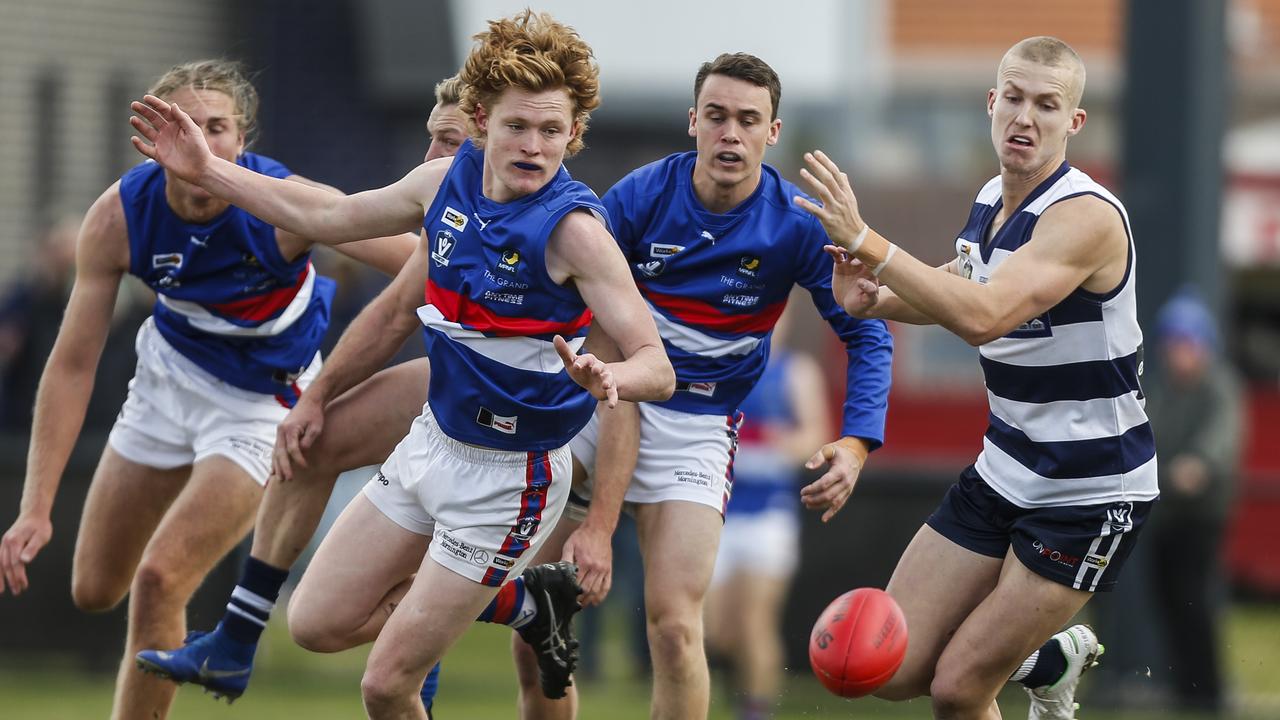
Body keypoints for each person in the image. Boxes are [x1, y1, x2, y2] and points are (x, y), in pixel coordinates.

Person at [127, 10, 674, 720]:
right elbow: (332, 217)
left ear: (574, 133)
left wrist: (612, 378)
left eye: (552, 131)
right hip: (431, 446)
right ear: (480, 120)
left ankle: (507, 600)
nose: (534, 146)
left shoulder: (577, 233)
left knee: (386, 685)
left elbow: (655, 367)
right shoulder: (445, 182)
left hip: (512, 479)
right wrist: (211, 172)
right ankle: (527, 602)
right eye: (517, 127)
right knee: (315, 622)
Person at [0, 59, 416, 720]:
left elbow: (419, 255)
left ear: (241, 141)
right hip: (168, 381)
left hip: (261, 404)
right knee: (92, 588)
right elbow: (72, 362)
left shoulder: (283, 205)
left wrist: (506, 302)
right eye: (184, 125)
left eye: (216, 126)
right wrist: (35, 506)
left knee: (159, 580)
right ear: (153, 140)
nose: (201, 140)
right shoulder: (120, 216)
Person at [511, 52, 894, 720]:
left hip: (695, 429)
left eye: (749, 120)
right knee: (536, 607)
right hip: (603, 405)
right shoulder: (638, 198)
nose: (731, 134)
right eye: (716, 117)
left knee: (676, 626)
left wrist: (858, 441)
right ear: (693, 122)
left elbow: (866, 331)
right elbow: (574, 303)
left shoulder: (797, 224)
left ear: (773, 133)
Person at [798, 36, 1158, 720]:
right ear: (992, 104)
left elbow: (987, 315)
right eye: (1015, 99)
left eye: (1047, 106)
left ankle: (1033, 663)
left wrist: (872, 243)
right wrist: (876, 295)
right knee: (893, 664)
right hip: (1006, 466)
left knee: (959, 688)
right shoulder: (993, 196)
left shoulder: (1085, 216)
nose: (1026, 118)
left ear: (1073, 123)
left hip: (1089, 487)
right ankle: (1045, 658)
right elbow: (963, 282)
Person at [135, 73, 469, 715]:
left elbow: (623, 341)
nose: (429, 158)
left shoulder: (557, 221)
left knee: (365, 638)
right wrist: (313, 399)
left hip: (529, 433)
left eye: (446, 142)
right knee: (309, 445)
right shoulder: (452, 206)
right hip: (452, 389)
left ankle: (523, 602)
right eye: (430, 139)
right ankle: (236, 639)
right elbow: (333, 220)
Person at [704, 303, 830, 720]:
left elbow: (817, 435)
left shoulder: (796, 371)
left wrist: (782, 442)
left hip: (768, 515)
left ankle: (755, 712)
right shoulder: (721, 366)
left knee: (756, 623)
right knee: (714, 630)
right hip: (716, 513)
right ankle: (726, 696)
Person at [1142, 288, 1243, 712]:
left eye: (1185, 343)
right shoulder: (1163, 390)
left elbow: (1221, 437)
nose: (1177, 353)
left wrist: (1199, 464)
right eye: (1171, 344)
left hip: (1200, 516)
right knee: (1167, 601)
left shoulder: (1219, 387)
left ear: (1203, 344)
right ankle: (1184, 689)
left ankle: (1211, 693)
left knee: (1195, 601)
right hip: (1164, 516)